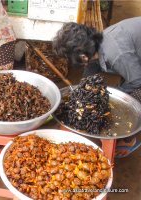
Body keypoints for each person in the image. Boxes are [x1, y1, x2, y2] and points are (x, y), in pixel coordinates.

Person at [52, 17, 141, 158]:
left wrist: (114, 96)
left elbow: (137, 80)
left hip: (136, 73)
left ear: (83, 56)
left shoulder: (116, 54)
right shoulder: (98, 43)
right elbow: (93, 65)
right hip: (132, 54)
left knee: (133, 99)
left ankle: (129, 140)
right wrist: (82, 90)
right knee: (128, 73)